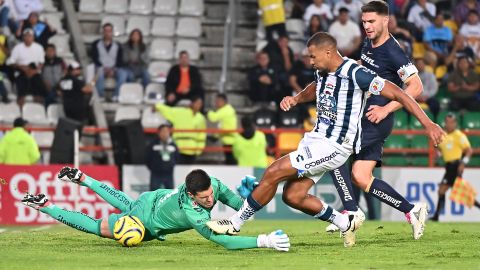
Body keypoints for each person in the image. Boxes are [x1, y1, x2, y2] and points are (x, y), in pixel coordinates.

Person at [207, 32, 444, 248]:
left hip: (335, 145)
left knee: (274, 171)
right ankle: (345, 222)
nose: (310, 61)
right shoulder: (322, 71)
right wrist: (297, 99)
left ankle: (235, 223)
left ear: (328, 52)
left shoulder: (355, 73)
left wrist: (429, 124)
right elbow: (316, 87)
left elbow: (398, 93)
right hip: (316, 140)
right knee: (293, 196)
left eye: (313, 56)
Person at [324, 1, 430, 240]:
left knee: (333, 152)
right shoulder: (369, 44)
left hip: (376, 119)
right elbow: (367, 68)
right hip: (366, 115)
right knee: (361, 176)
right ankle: (413, 210)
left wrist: (387, 110)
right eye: (364, 22)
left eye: (371, 21)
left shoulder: (393, 51)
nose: (367, 26)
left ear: (385, 20)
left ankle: (350, 213)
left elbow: (416, 86)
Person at [21, 166, 290, 251]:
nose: (210, 200)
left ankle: (82, 178)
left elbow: (241, 209)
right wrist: (263, 241)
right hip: (143, 222)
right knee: (99, 228)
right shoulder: (191, 211)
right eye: (204, 198)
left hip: (151, 199)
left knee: (123, 201)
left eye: (211, 195)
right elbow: (223, 241)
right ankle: (46, 206)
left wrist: (252, 196)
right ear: (192, 196)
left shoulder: (214, 185)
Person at [431, 113, 480, 221]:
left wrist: (463, 163)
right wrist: (437, 155)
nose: (449, 125)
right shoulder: (442, 134)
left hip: (455, 166)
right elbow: (440, 149)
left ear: (455, 123)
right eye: (447, 122)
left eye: (451, 122)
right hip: (448, 166)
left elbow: (469, 151)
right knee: (463, 193)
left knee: (442, 190)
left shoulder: (459, 135)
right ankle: (437, 216)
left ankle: (436, 216)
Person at [156, 96, 206, 164]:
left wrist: (199, 150)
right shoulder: (180, 113)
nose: (199, 105)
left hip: (192, 151)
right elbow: (167, 110)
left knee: (188, 173)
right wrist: (156, 105)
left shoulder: (201, 118)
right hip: (178, 148)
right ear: (192, 103)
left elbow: (202, 135)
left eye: (200, 104)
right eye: (197, 103)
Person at [6, 27, 46, 107]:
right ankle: (20, 109)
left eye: (30, 36)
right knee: (21, 94)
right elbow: (10, 61)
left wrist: (34, 71)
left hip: (34, 72)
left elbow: (41, 63)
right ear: (23, 37)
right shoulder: (17, 48)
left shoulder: (39, 48)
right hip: (21, 72)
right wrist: (21, 67)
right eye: (26, 36)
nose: (28, 38)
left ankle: (38, 110)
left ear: (33, 37)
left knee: (39, 92)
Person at [91, 23, 126, 101]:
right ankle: (101, 96)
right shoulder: (96, 44)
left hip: (114, 68)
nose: (107, 33)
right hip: (100, 67)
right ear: (103, 32)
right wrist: (104, 68)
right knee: (99, 73)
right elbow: (95, 58)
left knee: (123, 74)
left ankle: (116, 95)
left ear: (112, 32)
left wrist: (113, 69)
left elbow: (120, 60)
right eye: (106, 31)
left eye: (109, 31)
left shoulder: (118, 45)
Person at [207, 93, 237, 165]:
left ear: (223, 101)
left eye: (217, 101)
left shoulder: (226, 110)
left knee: (230, 160)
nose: (216, 103)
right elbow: (222, 125)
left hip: (230, 140)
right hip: (227, 138)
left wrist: (209, 111)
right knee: (229, 159)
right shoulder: (227, 109)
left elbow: (213, 118)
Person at [146, 124, 178, 190]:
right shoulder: (152, 144)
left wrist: (171, 165)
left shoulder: (173, 145)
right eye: (163, 131)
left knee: (170, 194)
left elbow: (177, 157)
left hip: (168, 173)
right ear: (159, 133)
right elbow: (147, 158)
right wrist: (153, 167)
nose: (165, 133)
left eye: (167, 131)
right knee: (153, 194)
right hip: (156, 173)